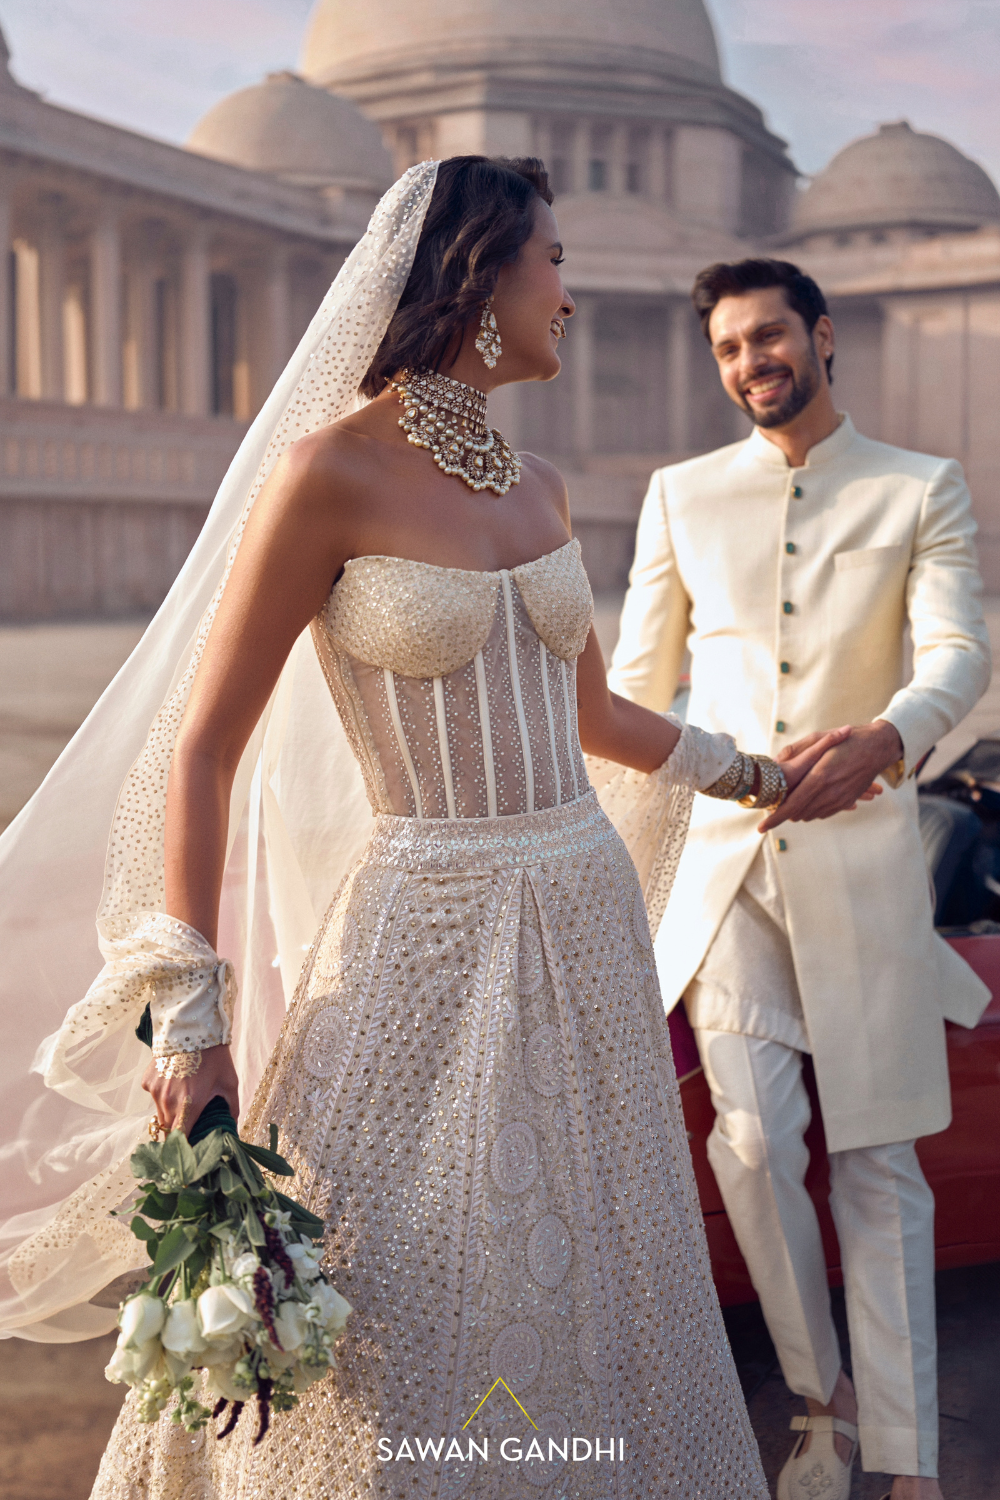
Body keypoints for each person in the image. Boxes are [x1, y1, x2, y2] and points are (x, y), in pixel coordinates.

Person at [0, 161, 850, 1500]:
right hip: (420, 927)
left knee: (590, 1258)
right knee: (392, 1271)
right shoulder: (327, 472)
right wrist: (195, 1009)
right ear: (474, 277)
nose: (572, 294)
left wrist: (756, 771)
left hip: (581, 915)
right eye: (554, 263)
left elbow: (595, 717)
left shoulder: (548, 486)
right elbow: (202, 746)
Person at [608, 256, 992, 1500]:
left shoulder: (919, 486)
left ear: (822, 338)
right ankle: (816, 1411)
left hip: (865, 867)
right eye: (726, 347)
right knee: (756, 1144)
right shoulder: (678, 496)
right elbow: (633, 684)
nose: (747, 363)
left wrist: (891, 734)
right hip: (724, 873)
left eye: (766, 337)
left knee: (879, 1164)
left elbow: (956, 649)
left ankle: (910, 1461)